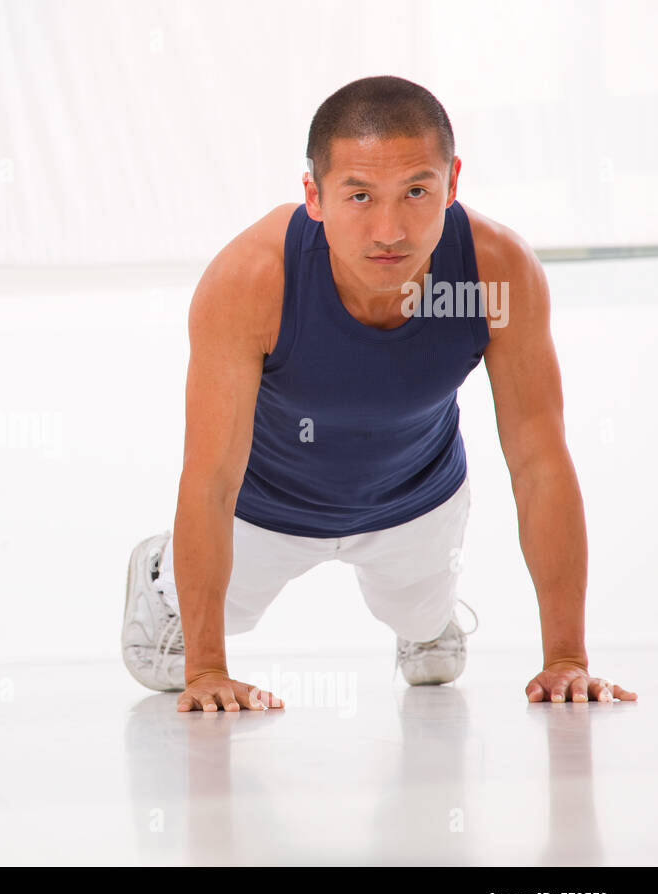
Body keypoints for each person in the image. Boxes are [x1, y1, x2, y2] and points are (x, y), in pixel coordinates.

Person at [121, 76, 635, 712]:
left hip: (416, 500)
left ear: (452, 184)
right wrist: (206, 672)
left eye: (417, 191)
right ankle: (160, 578)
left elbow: (539, 461)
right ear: (314, 194)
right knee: (168, 662)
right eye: (359, 195)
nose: (389, 229)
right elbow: (210, 477)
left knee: (429, 646)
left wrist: (566, 660)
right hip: (265, 510)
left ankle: (428, 616)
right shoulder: (254, 278)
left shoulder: (495, 273)